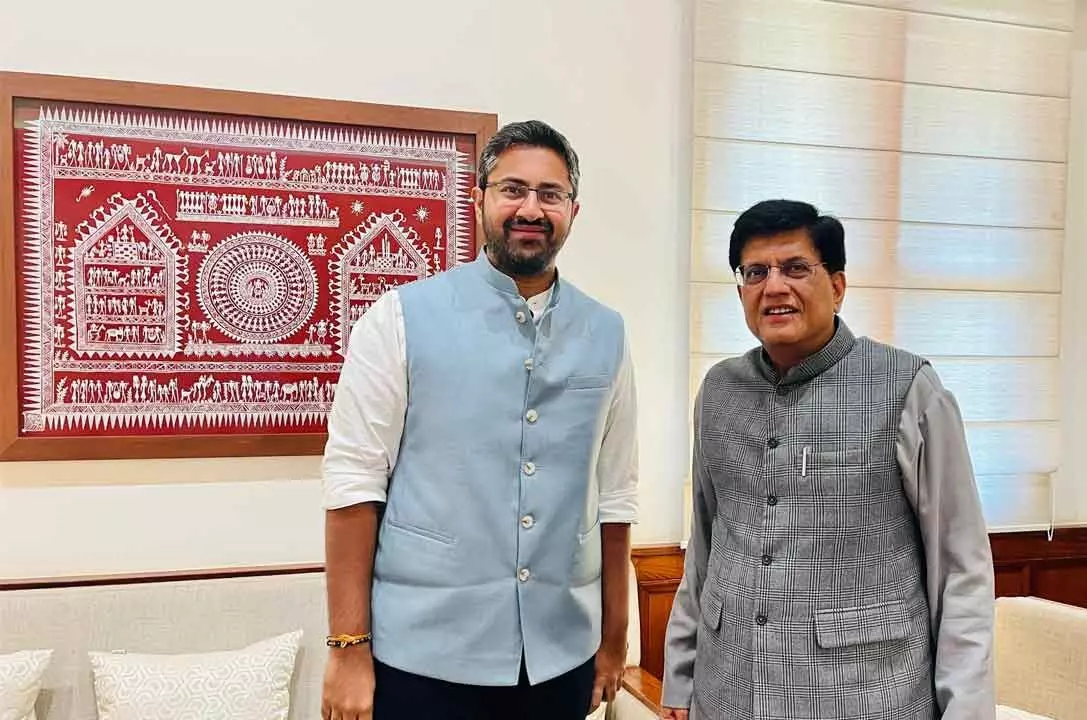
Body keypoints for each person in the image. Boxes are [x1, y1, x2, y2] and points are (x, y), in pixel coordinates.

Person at [319, 119, 639, 720]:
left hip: (559, 657)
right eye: (512, 189)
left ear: (573, 209)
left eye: (550, 194)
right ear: (481, 200)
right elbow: (353, 485)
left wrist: (614, 640)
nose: (531, 209)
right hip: (423, 658)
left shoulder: (608, 333)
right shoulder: (400, 319)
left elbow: (616, 496)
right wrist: (347, 649)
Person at [660, 199, 996, 720]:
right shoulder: (719, 392)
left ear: (837, 286)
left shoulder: (908, 389)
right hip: (728, 694)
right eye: (755, 272)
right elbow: (706, 546)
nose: (774, 286)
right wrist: (679, 680)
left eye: (796, 268)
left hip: (867, 697)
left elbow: (962, 569)